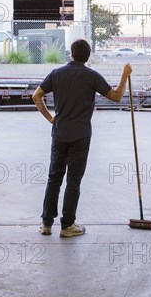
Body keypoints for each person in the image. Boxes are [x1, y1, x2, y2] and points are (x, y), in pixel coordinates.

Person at [32, 39, 132, 238]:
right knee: (73, 181)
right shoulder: (91, 76)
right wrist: (124, 75)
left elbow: (36, 96)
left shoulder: (56, 74)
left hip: (60, 133)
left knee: (54, 177)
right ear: (87, 57)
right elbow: (116, 97)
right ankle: (67, 226)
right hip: (81, 135)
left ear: (71, 53)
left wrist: (51, 118)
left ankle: (46, 223)